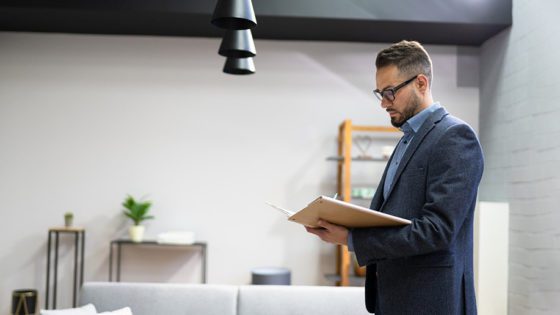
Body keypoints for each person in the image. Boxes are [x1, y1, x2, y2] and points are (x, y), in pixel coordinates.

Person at [305, 40, 484, 315]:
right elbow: (397, 213)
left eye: (390, 92)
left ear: (421, 83)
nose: (384, 104)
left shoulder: (455, 137)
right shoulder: (408, 140)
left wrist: (352, 239)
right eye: (380, 93)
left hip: (431, 302)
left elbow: (437, 230)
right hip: (395, 298)